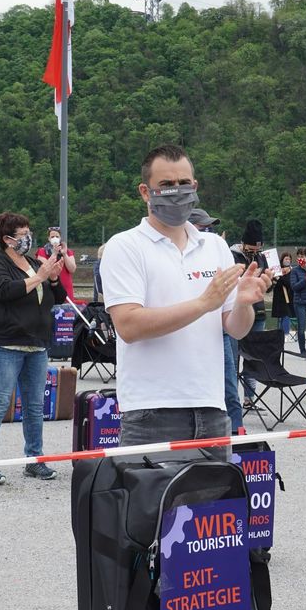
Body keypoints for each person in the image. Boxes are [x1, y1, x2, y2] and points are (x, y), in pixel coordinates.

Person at [101, 145, 271, 456]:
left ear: (194, 187)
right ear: (145, 192)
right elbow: (128, 325)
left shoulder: (214, 248)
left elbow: (235, 329)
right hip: (151, 410)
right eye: (166, 185)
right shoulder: (124, 247)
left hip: (211, 407)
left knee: (214, 504)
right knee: (149, 505)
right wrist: (203, 303)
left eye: (184, 184)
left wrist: (245, 303)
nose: (176, 192)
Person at [0, 213, 66, 485]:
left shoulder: (32, 262)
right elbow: (4, 291)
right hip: (5, 343)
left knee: (34, 406)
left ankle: (34, 460)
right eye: (21, 233)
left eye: (29, 232)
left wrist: (51, 279)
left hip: (36, 344)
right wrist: (39, 276)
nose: (28, 238)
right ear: (7, 239)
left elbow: (57, 298)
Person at [192, 207, 244, 434]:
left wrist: (244, 300)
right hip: (190, 332)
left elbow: (235, 321)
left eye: (211, 228)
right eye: (203, 228)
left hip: (220, 332)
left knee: (230, 388)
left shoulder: (217, 254)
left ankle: (238, 434)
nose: (209, 232)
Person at [231, 220, 269, 410]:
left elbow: (266, 286)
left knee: (253, 356)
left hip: (259, 310)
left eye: (258, 249)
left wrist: (270, 280)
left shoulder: (262, 257)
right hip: (237, 311)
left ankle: (249, 398)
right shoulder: (232, 255)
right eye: (252, 248)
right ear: (244, 243)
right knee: (235, 355)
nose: (255, 252)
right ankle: (232, 399)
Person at [36, 226, 78, 304]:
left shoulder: (68, 251)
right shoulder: (42, 251)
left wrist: (64, 254)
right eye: (52, 237)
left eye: (57, 236)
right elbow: (46, 268)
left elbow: (72, 269)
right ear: (48, 238)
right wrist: (54, 253)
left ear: (60, 238)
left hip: (66, 287)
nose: (55, 238)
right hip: (50, 287)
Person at [271, 252, 295, 336]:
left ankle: (285, 334)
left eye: (289, 259)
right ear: (282, 260)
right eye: (286, 259)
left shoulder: (292, 271)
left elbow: (289, 283)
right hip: (279, 296)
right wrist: (277, 278)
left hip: (288, 296)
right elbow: (275, 283)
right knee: (280, 316)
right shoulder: (277, 270)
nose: (288, 261)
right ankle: (279, 334)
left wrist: (280, 279)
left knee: (286, 315)